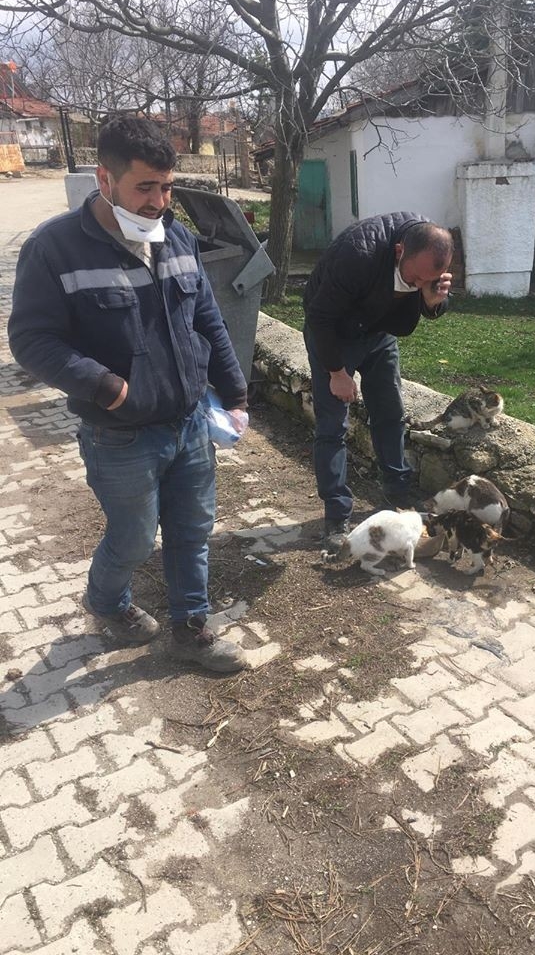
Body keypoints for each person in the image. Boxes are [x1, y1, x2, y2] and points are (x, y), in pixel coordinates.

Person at [8, 115, 248, 673]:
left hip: (190, 425)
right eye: (146, 187)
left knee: (192, 533)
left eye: (167, 187)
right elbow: (30, 339)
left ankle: (191, 630)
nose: (160, 201)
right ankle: (107, 601)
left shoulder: (179, 237)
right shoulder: (55, 248)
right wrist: (108, 388)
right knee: (136, 541)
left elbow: (208, 320)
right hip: (119, 435)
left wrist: (234, 392)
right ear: (105, 178)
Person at [303, 212, 453, 541]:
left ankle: (397, 492)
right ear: (399, 251)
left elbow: (427, 304)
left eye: (425, 281)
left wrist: (431, 302)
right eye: (414, 279)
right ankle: (337, 516)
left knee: (390, 412)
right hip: (333, 334)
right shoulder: (357, 254)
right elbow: (319, 316)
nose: (417, 286)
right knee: (332, 427)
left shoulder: (427, 246)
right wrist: (337, 372)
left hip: (379, 333)